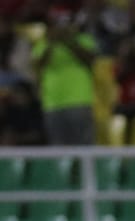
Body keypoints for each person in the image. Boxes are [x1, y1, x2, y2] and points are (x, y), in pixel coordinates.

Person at [32, 6, 97, 147]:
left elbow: (90, 59)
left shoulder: (83, 40)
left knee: (84, 146)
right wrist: (52, 42)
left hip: (79, 99)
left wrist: (69, 41)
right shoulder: (44, 44)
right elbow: (38, 65)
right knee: (58, 148)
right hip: (52, 102)